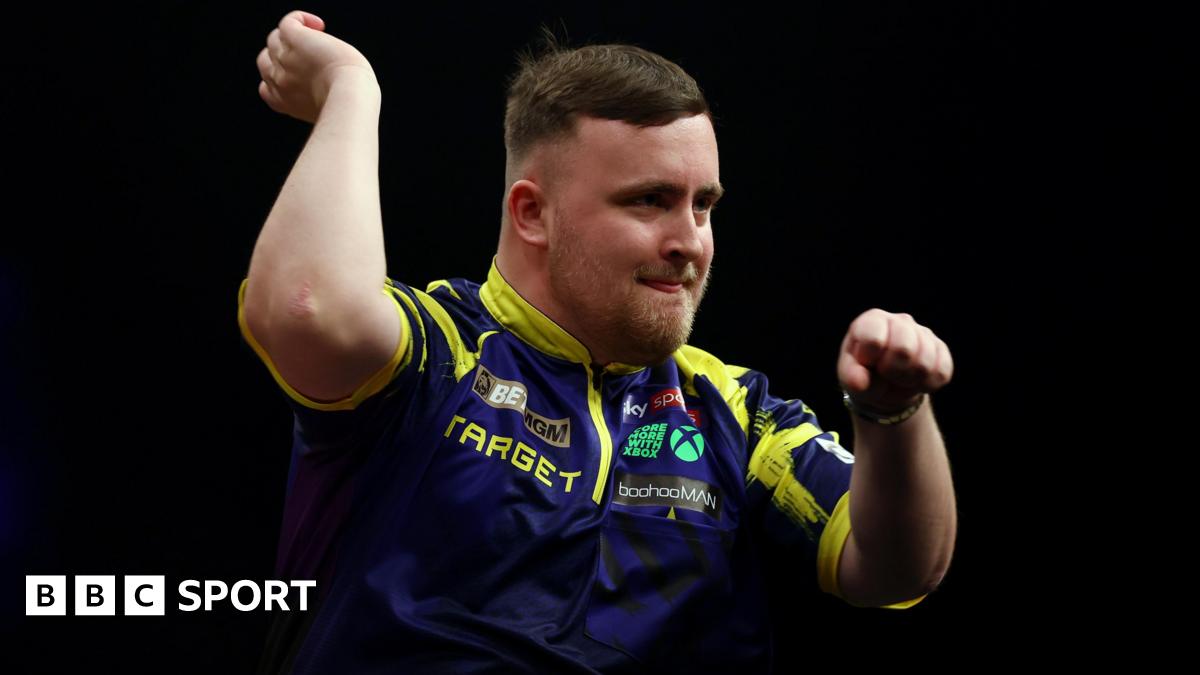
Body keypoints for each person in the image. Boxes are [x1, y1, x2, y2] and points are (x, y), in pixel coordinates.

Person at [240, 9, 957, 674]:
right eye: (650, 200)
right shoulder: (437, 354)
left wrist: (893, 415)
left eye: (703, 205)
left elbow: (900, 568)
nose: (689, 242)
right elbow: (308, 307)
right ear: (532, 213)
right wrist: (350, 88)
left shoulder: (734, 413)